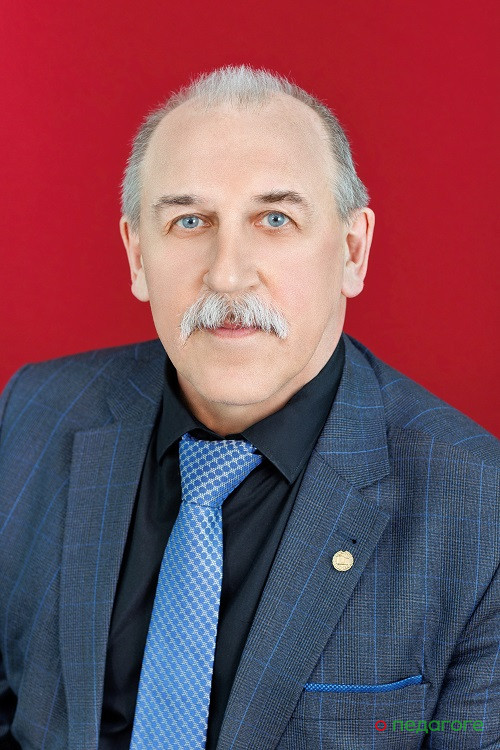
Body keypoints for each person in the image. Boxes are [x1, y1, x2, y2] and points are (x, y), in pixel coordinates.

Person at [0, 65, 498, 750]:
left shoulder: (479, 512)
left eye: (275, 219)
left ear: (352, 251)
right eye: (189, 221)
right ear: (137, 255)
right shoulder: (32, 416)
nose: (228, 274)